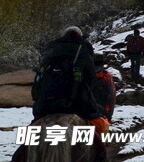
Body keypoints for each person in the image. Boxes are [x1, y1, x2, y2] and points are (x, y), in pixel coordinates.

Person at [29, 27, 110, 161]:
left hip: (46, 105)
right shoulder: (83, 49)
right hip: (77, 104)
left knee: (28, 138)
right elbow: (90, 79)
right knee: (101, 129)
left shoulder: (49, 52)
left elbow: (37, 85)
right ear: (80, 36)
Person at [91, 55, 116, 121]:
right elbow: (112, 96)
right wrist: (110, 113)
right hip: (103, 111)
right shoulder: (106, 76)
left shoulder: (87, 74)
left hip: (89, 110)